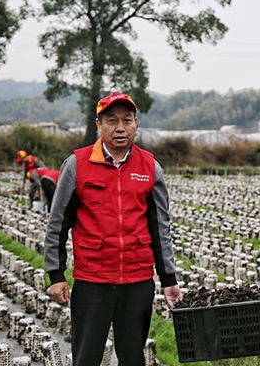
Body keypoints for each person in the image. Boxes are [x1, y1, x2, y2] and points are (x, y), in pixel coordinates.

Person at [44, 92, 183, 366]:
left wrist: (168, 278)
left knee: (133, 357)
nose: (120, 127)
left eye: (126, 120)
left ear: (136, 123)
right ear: (99, 124)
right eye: (111, 120)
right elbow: (57, 222)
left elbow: (160, 227)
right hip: (92, 281)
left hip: (137, 281)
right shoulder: (77, 165)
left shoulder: (150, 167)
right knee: (86, 358)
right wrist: (56, 274)